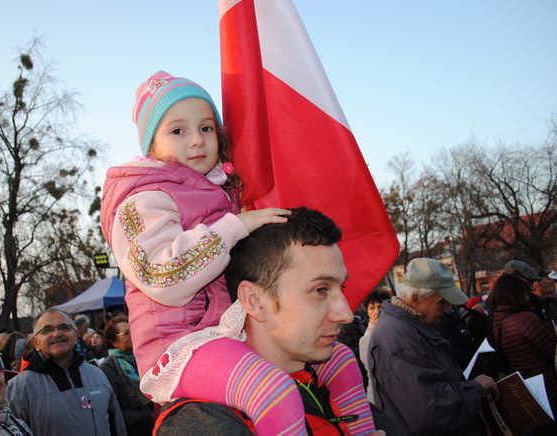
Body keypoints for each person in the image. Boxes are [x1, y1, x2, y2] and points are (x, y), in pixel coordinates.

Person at [101, 70, 361, 435]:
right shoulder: (143, 200)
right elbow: (165, 277)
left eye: (206, 128)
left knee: (342, 361)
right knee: (272, 392)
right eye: (178, 131)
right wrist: (235, 226)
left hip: (229, 331)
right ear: (152, 144)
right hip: (180, 345)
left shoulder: (220, 191)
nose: (196, 141)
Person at [156, 207, 379, 435]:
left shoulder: (334, 386)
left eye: (340, 288)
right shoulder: (202, 424)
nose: (346, 314)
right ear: (254, 301)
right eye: (320, 289)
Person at [368, 258, 498, 436]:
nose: (447, 309)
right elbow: (433, 409)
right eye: (441, 302)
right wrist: (476, 388)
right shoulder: (400, 337)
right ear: (415, 298)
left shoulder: (408, 327)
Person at [6, 308, 126, 435]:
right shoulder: (19, 388)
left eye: (64, 327)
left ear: (75, 336)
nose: (57, 334)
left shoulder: (98, 375)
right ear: (36, 343)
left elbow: (116, 427)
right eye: (47, 330)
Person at [490, 273, 557, 411]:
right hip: (546, 382)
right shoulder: (525, 319)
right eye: (526, 292)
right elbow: (552, 351)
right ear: (516, 294)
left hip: (526, 384)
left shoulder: (499, 320)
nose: (529, 296)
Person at [100, 315, 156, 435]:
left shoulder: (142, 360)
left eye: (133, 330)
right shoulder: (107, 369)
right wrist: (151, 416)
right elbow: (116, 412)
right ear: (114, 342)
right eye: (126, 333)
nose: (132, 335)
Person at [358, 291, 389, 403]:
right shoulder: (366, 340)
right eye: (371, 308)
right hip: (380, 397)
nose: (376, 312)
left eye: (379, 306)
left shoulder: (393, 331)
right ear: (367, 311)